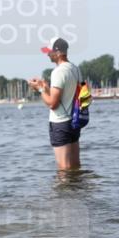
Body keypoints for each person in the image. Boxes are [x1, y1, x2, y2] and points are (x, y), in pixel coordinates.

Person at [28, 38, 81, 170]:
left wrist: (39, 90)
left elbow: (53, 104)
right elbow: (68, 96)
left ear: (58, 53)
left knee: (63, 168)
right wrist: (45, 87)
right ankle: (77, 189)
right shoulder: (75, 69)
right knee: (75, 165)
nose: (47, 54)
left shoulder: (58, 72)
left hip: (60, 124)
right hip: (74, 121)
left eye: (49, 52)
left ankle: (64, 191)